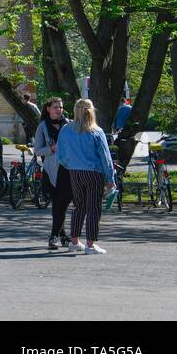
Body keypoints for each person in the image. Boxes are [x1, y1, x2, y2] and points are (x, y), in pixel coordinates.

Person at [55, 98, 116, 254]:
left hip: (74, 172)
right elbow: (105, 157)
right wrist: (110, 179)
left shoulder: (66, 129)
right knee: (94, 208)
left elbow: (60, 154)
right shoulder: (96, 131)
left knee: (79, 206)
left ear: (75, 111)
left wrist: (71, 165)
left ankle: (74, 241)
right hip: (94, 173)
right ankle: (90, 244)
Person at [32, 97, 71, 249]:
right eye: (55, 107)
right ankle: (59, 235)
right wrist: (51, 150)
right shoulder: (42, 126)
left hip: (68, 169)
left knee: (62, 204)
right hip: (52, 170)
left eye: (60, 107)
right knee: (58, 204)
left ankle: (57, 235)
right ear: (48, 108)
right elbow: (37, 150)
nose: (59, 110)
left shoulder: (69, 124)